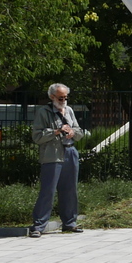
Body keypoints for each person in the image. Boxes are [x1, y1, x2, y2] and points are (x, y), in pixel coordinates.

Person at [30, 83, 86, 238]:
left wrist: (72, 132)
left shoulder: (69, 111)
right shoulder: (44, 112)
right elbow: (37, 136)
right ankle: (39, 225)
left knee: (70, 189)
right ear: (52, 97)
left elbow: (80, 132)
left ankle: (69, 223)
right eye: (60, 97)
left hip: (70, 152)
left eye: (65, 97)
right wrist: (56, 131)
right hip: (52, 154)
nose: (63, 100)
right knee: (48, 190)